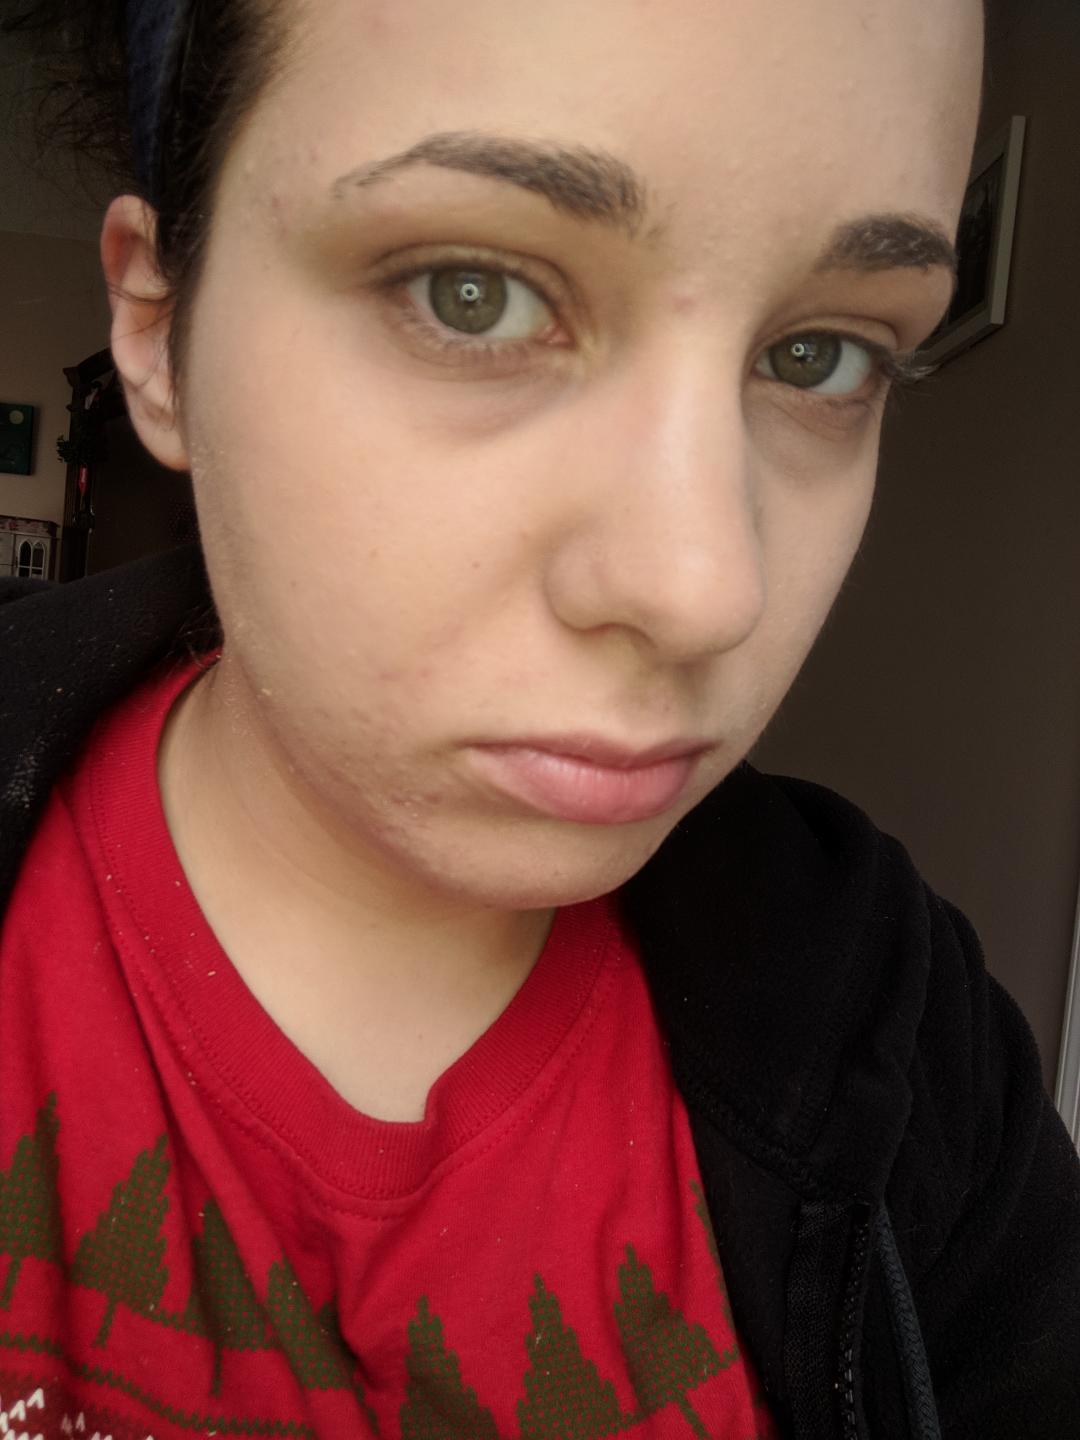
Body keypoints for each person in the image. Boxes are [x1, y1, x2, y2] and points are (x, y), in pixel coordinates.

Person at [1, 0, 1077, 1435]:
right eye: (476, 295)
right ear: (157, 335)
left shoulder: (911, 1035)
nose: (706, 589)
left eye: (822, 355)